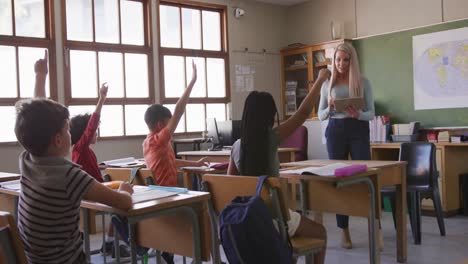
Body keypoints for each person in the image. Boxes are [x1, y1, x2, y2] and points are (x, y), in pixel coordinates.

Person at [15, 50, 134, 263]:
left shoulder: (28, 161)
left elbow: (36, 117)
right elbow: (122, 203)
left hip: (33, 259)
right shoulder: (70, 175)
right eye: (67, 129)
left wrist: (40, 76)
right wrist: (125, 190)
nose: (71, 133)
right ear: (59, 140)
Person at [227, 68, 331, 264]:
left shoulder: (236, 146)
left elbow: (231, 185)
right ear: (269, 116)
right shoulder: (271, 139)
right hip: (272, 219)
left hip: (247, 218)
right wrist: (320, 80)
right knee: (321, 232)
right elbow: (302, 114)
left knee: (290, 242)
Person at [143, 61, 207, 264]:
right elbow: (179, 110)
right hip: (167, 194)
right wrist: (192, 82)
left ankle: (170, 251)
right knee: (204, 201)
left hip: (160, 192)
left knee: (196, 196)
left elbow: (170, 161)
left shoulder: (151, 143)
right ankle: (204, 252)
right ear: (161, 125)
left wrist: (196, 164)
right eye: (169, 123)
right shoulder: (158, 140)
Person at [317, 42, 375, 249]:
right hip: (335, 130)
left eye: (345, 59)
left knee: (364, 178)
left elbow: (371, 114)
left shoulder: (363, 82)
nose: (341, 63)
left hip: (358, 130)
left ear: (352, 61)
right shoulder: (327, 85)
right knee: (338, 181)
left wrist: (358, 114)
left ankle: (374, 226)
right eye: (338, 59)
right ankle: (344, 231)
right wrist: (331, 108)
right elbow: (320, 114)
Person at [70, 83, 108, 182]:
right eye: (95, 130)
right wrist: (101, 100)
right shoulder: (80, 148)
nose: (96, 133)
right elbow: (92, 125)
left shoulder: (85, 150)